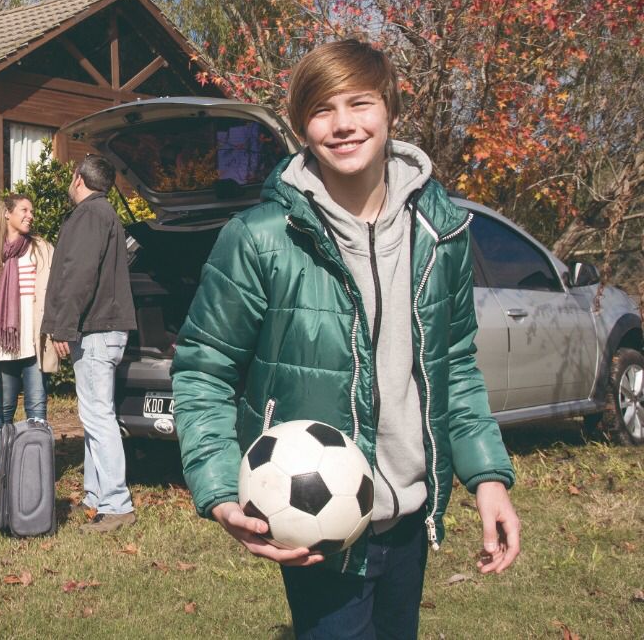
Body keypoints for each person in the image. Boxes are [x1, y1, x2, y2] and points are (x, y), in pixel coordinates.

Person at [171, 39, 520, 638]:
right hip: (314, 529)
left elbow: (456, 366)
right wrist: (224, 492)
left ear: (389, 110)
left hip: (409, 517)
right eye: (321, 110)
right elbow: (203, 372)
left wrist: (487, 478)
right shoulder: (260, 238)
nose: (342, 125)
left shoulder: (442, 234)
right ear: (300, 127)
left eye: (359, 104)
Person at [41, 154, 138, 533]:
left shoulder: (90, 215)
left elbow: (78, 274)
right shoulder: (103, 213)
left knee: (98, 416)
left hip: (96, 331)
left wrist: (63, 327)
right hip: (103, 329)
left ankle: (116, 504)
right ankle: (96, 495)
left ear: (78, 179)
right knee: (96, 415)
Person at [0, 193, 59, 446]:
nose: (30, 216)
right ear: (7, 213)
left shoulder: (42, 251)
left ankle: (36, 463)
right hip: (1, 348)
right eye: (24, 210)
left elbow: (56, 297)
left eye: (32, 211)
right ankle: (3, 463)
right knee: (4, 411)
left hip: (34, 345)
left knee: (37, 410)